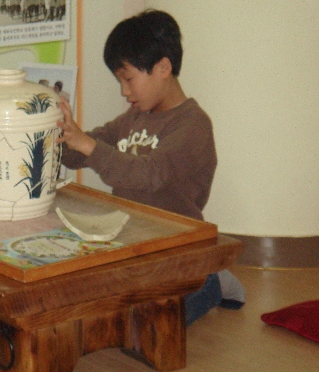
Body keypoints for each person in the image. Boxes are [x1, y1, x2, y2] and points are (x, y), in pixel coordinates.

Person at [56, 9, 245, 326]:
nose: (123, 91)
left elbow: (149, 175)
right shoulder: (133, 118)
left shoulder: (194, 125)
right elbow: (83, 151)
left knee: (146, 328)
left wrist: (86, 144)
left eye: (128, 79)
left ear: (163, 68)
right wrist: (62, 135)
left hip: (176, 251)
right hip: (132, 244)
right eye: (120, 81)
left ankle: (212, 282)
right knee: (91, 307)